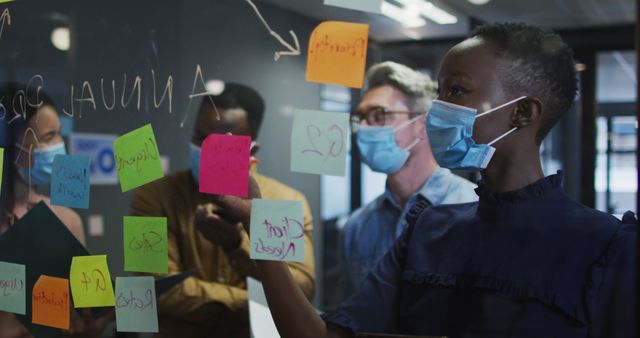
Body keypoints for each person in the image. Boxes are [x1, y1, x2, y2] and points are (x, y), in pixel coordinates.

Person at [209, 22, 637, 337]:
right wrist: (258, 218)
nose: (437, 108)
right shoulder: (429, 230)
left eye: (456, 91)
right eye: (439, 90)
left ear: (522, 113)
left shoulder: (605, 247)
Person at [129, 83, 316, 338]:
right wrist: (261, 302)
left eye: (220, 143)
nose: (205, 150)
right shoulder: (153, 196)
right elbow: (153, 289)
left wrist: (237, 246)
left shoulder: (285, 202)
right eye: (198, 137)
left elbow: (303, 289)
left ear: (252, 151)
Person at [338, 61, 477, 299]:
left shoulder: (473, 208)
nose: (362, 128)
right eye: (360, 117)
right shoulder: (357, 228)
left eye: (378, 115)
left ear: (423, 124)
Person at [0, 86, 112, 338]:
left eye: (60, 135)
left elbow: (89, 305)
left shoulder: (66, 219)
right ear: (10, 142)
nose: (60, 146)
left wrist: (92, 324)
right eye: (49, 136)